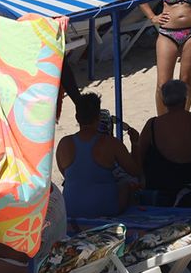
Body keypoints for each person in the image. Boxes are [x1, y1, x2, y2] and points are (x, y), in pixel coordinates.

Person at [58, 89, 140, 223]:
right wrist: (135, 144)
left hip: (70, 209)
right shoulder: (111, 143)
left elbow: (66, 174)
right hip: (105, 209)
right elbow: (135, 171)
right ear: (98, 117)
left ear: (77, 117)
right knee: (126, 185)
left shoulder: (64, 143)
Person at [136, 79, 191, 205]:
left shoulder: (153, 124)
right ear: (185, 100)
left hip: (164, 185)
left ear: (164, 102)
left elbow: (138, 156)